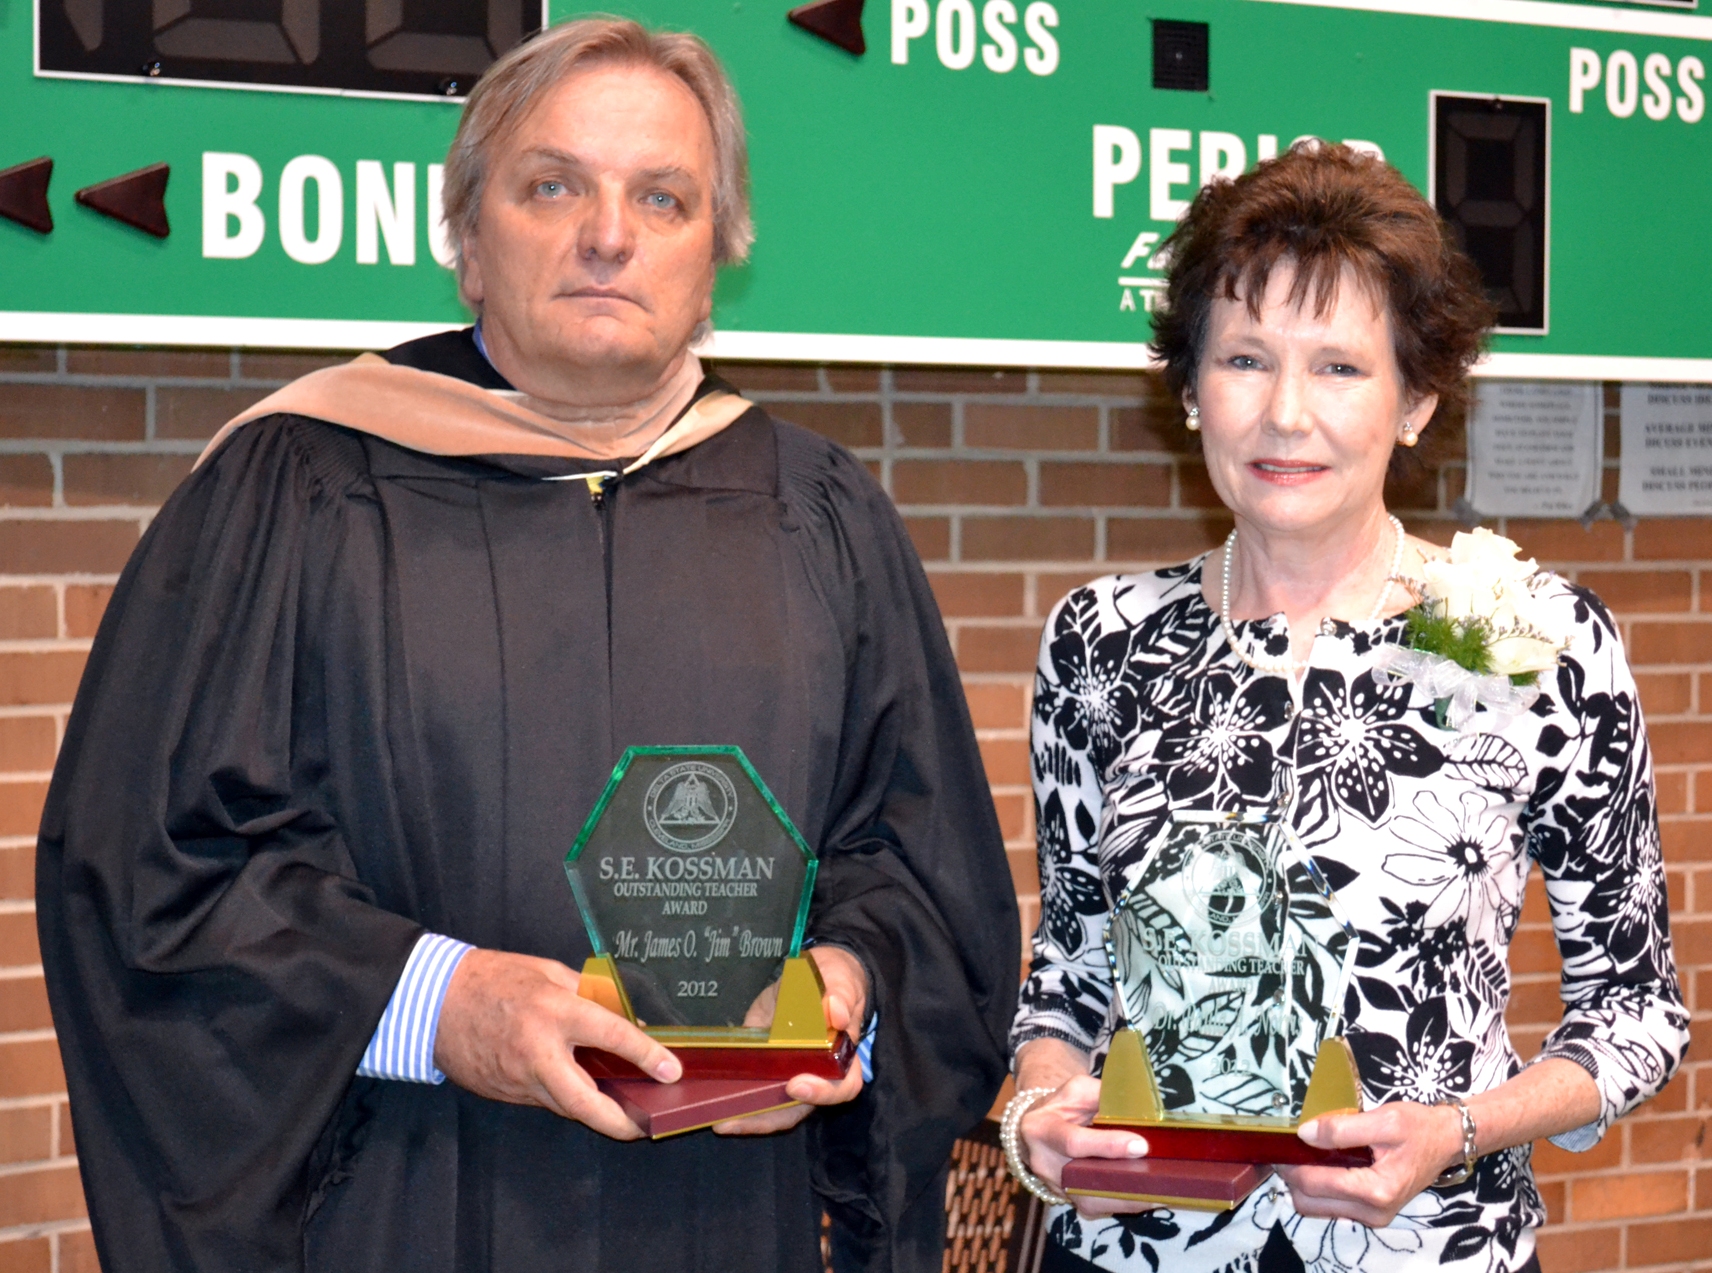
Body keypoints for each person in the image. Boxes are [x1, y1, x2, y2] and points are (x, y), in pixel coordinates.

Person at [37, 18, 1017, 1273]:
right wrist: (436, 1004)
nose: (607, 234)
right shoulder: (295, 492)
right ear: (467, 243)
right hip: (406, 1202)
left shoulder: (819, 516)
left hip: (731, 1214)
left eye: (661, 198)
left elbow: (915, 864)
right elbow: (148, 870)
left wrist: (846, 989)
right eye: (552, 185)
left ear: (711, 260)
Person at [1004, 144, 1688, 1273]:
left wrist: (1457, 1132)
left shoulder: (1530, 636)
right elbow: (1069, 969)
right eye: (1242, 358)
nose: (1282, 413)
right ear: (1186, 389)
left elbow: (1634, 1010)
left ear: (1415, 400)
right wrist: (1039, 1116)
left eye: (1337, 367)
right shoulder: (1103, 637)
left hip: (1428, 1249)